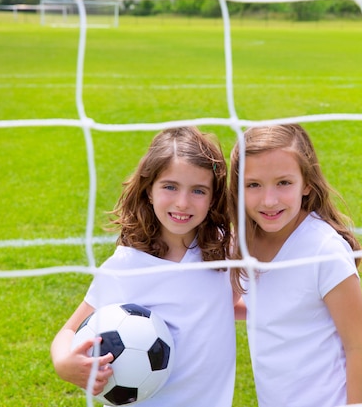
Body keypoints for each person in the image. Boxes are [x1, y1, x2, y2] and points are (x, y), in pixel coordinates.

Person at [51, 126, 236, 407]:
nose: (182, 203)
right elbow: (68, 331)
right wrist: (64, 362)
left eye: (198, 190)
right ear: (149, 189)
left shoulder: (224, 250)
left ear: (213, 198)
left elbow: (224, 304)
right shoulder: (124, 267)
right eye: (170, 186)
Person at [229, 123, 362, 406]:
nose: (269, 201)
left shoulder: (325, 250)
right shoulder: (242, 242)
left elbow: (359, 349)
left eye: (283, 183)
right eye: (253, 185)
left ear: (307, 182)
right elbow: (241, 305)